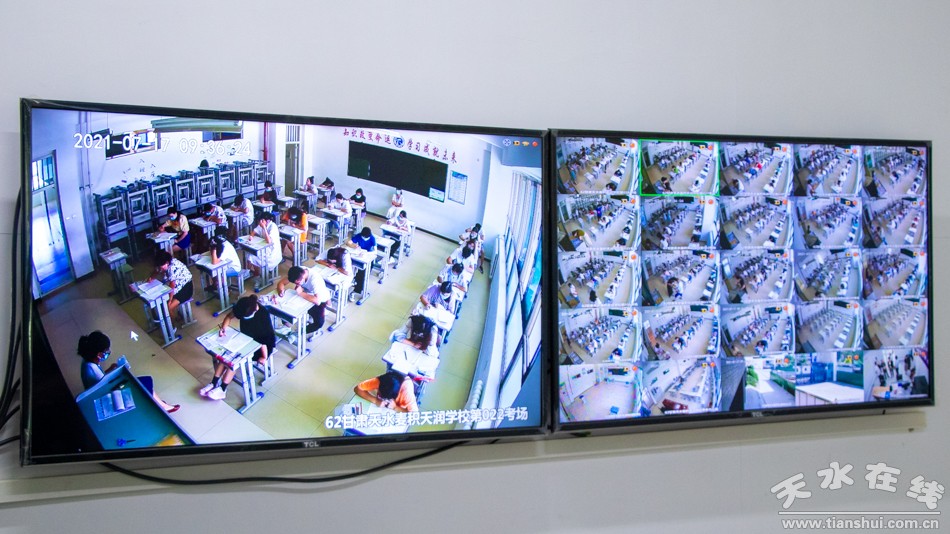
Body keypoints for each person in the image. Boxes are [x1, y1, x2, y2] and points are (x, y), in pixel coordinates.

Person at [78, 331, 179, 412]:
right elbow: (104, 385)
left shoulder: (88, 360)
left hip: (104, 389)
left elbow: (101, 379)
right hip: (108, 397)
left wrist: (111, 369)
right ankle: (162, 406)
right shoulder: (91, 369)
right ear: (99, 354)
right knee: (143, 384)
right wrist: (117, 373)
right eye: (106, 351)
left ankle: (160, 403)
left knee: (145, 381)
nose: (108, 352)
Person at [202, 295, 277, 400]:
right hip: (245, 339)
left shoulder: (262, 315)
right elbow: (229, 316)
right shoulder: (243, 306)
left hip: (262, 346)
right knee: (226, 356)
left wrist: (264, 357)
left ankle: (222, 389)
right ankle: (213, 383)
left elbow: (264, 341)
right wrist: (223, 328)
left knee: (234, 361)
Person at [278, 265, 332, 340]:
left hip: (318, 300)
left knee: (319, 323)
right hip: (303, 296)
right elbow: (281, 283)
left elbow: (317, 301)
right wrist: (281, 291)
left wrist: (301, 293)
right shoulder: (297, 272)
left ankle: (298, 333)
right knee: (284, 308)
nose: (297, 285)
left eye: (298, 283)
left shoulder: (315, 280)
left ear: (303, 278)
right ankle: (286, 327)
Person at [148, 250, 193, 319]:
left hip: (186, 288)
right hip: (177, 286)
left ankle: (173, 323)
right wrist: (151, 278)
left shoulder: (172, 268)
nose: (160, 268)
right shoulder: (164, 264)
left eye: (161, 266)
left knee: (168, 308)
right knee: (162, 303)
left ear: (167, 262)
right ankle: (173, 318)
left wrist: (170, 300)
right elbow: (157, 270)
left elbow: (172, 285)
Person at [354, 370, 418, 413]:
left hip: (399, 408)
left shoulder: (407, 393)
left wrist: (395, 407)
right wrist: (376, 400)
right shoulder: (381, 381)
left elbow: (414, 414)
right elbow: (357, 388)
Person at [247, 212, 283, 280]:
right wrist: (251, 236)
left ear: (268, 220)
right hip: (265, 249)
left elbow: (269, 241)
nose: (260, 222)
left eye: (262, 220)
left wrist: (264, 228)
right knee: (250, 254)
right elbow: (254, 232)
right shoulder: (262, 223)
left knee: (252, 256)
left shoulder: (273, 227)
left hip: (272, 253)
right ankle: (249, 272)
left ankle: (257, 275)